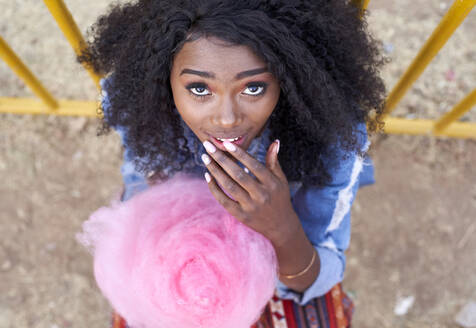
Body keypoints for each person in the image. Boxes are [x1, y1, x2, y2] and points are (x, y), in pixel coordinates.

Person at [79, 0, 386, 327]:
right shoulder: (143, 113)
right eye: (199, 88)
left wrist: (281, 228)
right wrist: (160, 191)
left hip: (285, 271)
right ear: (163, 79)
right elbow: (137, 184)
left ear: (289, 77)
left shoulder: (331, 141)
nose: (226, 119)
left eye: (254, 87)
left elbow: (316, 279)